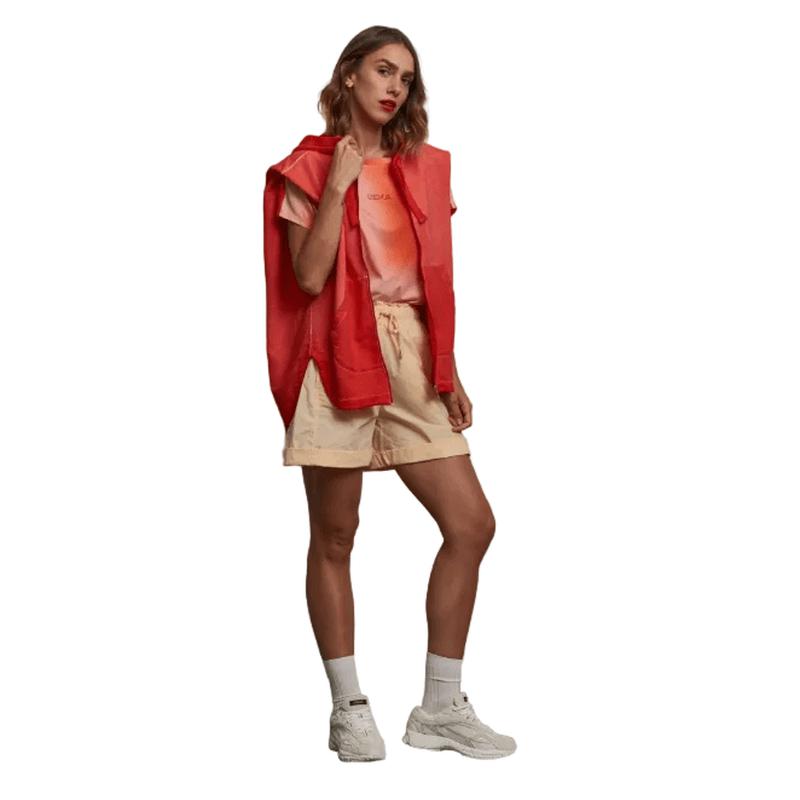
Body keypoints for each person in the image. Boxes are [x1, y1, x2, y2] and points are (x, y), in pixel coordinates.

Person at [263, 25, 516, 761]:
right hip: (335, 349)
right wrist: (338, 184)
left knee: (471, 524)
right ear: (348, 75)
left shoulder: (420, 170)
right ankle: (348, 708)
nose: (395, 87)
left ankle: (439, 708)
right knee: (336, 536)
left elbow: (430, 280)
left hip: (409, 351)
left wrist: (449, 368)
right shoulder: (307, 167)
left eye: (406, 77)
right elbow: (309, 277)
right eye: (382, 70)